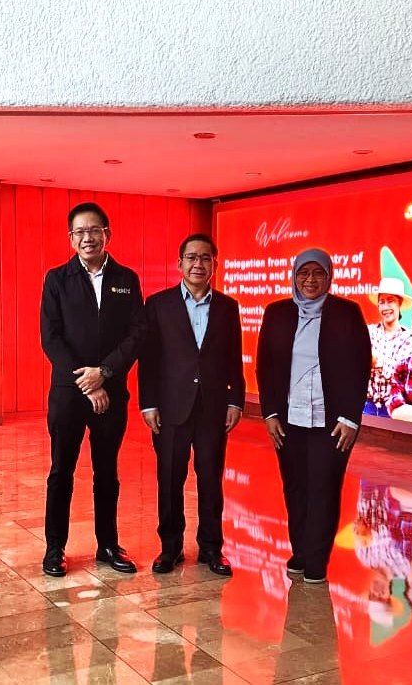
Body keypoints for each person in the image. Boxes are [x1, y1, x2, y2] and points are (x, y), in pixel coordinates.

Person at [40, 202, 146, 577]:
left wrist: (104, 373)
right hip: (69, 394)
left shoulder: (126, 278)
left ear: (107, 234)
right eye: (80, 232)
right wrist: (87, 382)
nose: (88, 238)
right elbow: (51, 338)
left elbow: (136, 334)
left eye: (94, 230)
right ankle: (55, 548)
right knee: (61, 472)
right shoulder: (57, 279)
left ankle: (108, 545)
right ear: (71, 238)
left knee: (107, 473)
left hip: (111, 393)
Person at [256, 247, 371, 584]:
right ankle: (301, 552)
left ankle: (318, 559)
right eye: (303, 273)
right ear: (294, 276)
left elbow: (360, 366)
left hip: (333, 422)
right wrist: (270, 412)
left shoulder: (347, 313)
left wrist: (351, 418)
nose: (310, 279)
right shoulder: (277, 313)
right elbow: (265, 365)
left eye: (318, 272)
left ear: (329, 276)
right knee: (295, 486)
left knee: (324, 486)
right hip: (288, 419)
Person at [139, 233, 245, 577]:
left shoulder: (228, 307)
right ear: (180, 263)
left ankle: (211, 548)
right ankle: (170, 547)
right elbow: (149, 359)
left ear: (215, 264)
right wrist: (148, 403)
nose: (198, 264)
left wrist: (236, 399)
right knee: (170, 477)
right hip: (171, 407)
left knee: (210, 478)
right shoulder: (158, 304)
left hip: (213, 407)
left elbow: (233, 357)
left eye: (205, 258)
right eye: (191, 257)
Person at [365, 277, 412, 416]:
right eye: (381, 302)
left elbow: (400, 375)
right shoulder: (369, 332)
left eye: (390, 301)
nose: (385, 307)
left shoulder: (410, 339)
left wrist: (375, 361)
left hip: (394, 409)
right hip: (367, 406)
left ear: (400, 303)